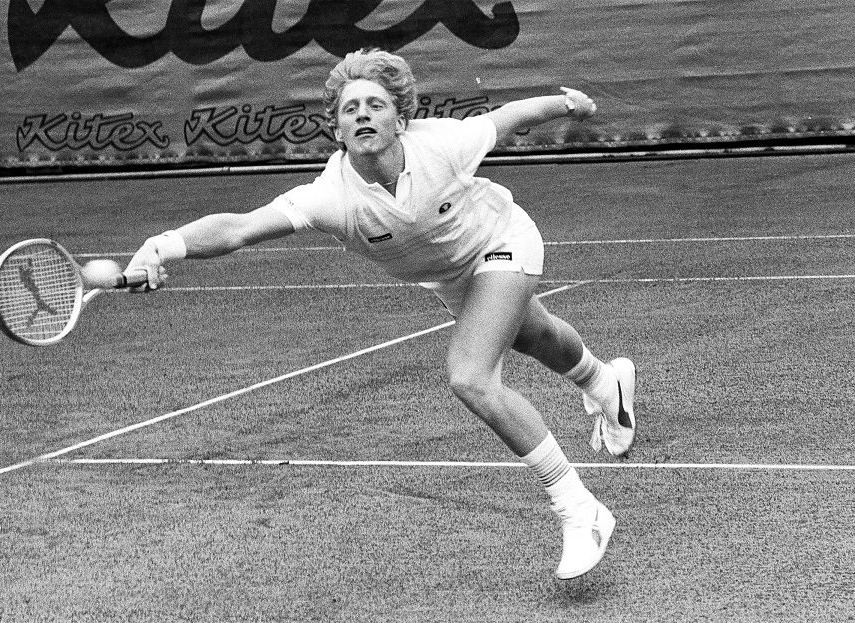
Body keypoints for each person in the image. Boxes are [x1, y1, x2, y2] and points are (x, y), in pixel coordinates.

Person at [126, 49, 636, 580]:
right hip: (449, 275)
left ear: (401, 118)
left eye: (375, 104)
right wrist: (165, 245)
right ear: (338, 130)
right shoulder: (331, 197)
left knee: (471, 377)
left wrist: (567, 105)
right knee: (536, 335)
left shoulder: (443, 144)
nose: (363, 114)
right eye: (351, 109)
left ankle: (580, 509)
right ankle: (606, 383)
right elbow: (238, 227)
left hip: (503, 239)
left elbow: (507, 119)